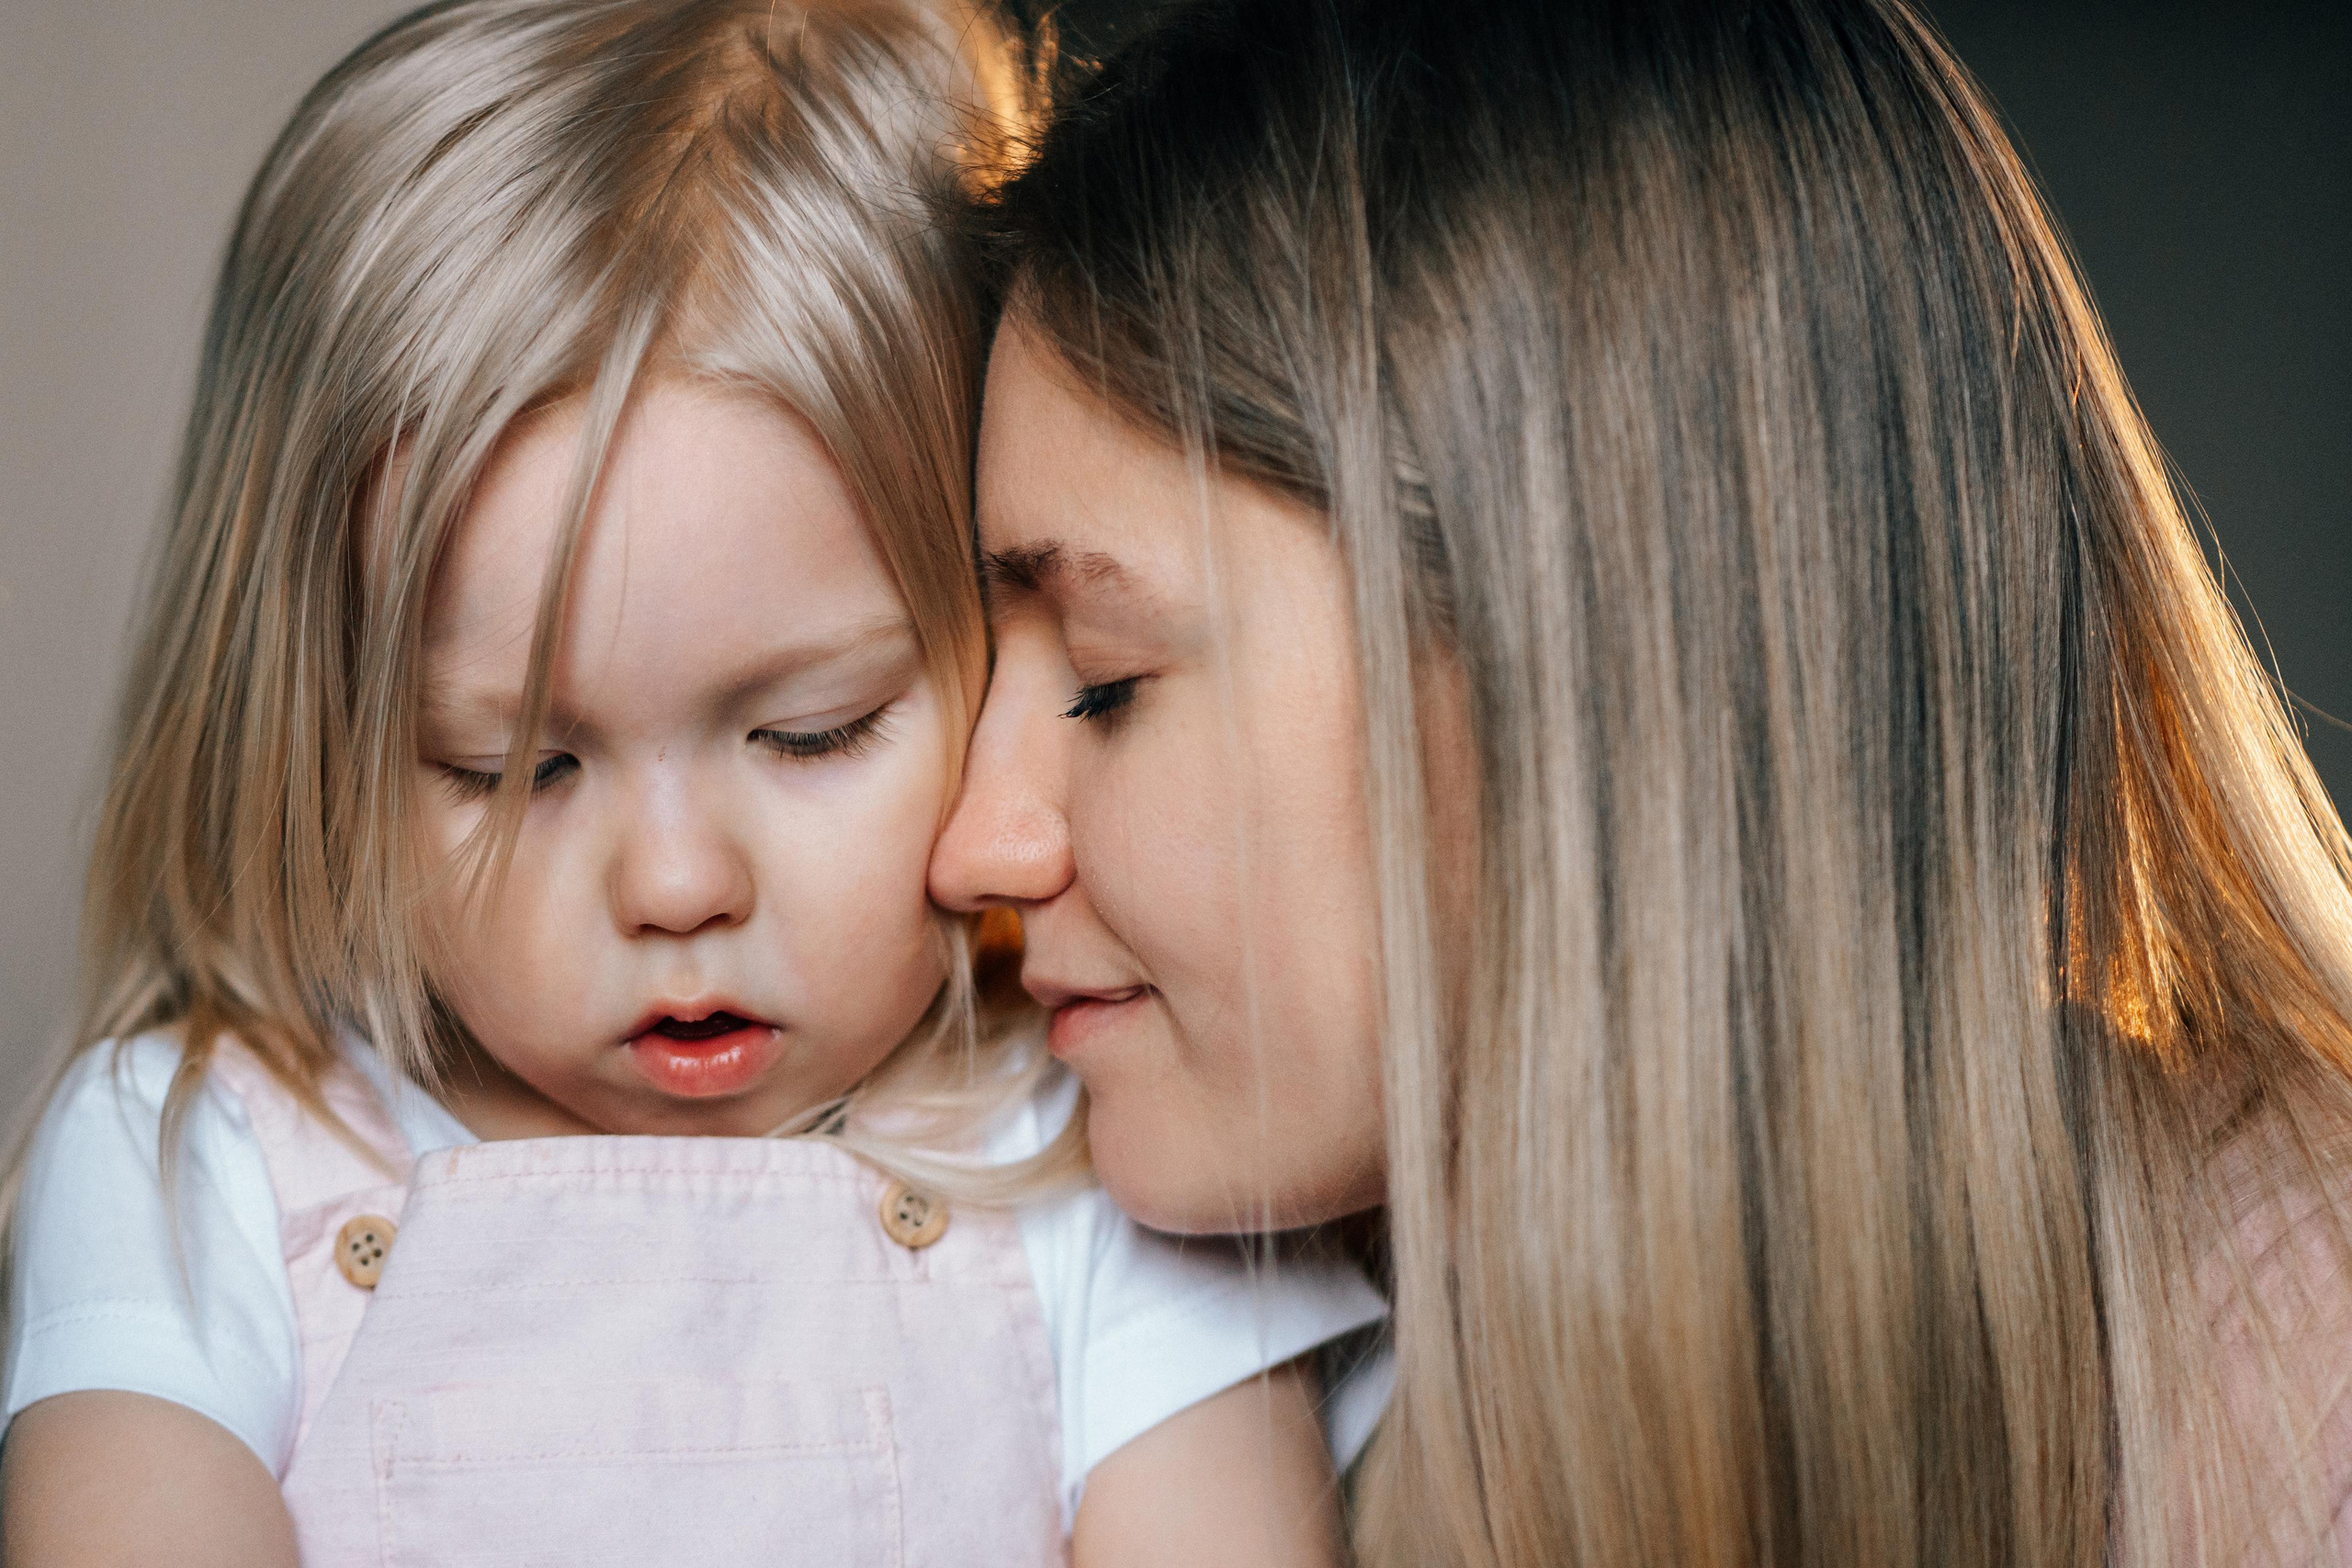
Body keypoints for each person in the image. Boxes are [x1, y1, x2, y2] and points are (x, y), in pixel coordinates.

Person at [930, 0, 2352, 1562]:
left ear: (1573, 656)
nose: (973, 842)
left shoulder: (2300, 1370)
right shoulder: (1113, 1388)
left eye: (1110, 682)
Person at [0, 4, 1385, 1563]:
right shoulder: (199, 1155)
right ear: (310, 751)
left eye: (812, 732)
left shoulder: (1103, 1157)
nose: (674, 888)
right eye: (512, 768)